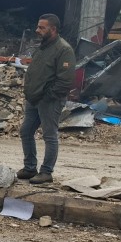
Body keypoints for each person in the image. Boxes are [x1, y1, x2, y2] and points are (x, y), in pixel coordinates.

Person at [18, 13, 76, 184]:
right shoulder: (43, 47)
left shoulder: (64, 50)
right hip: (33, 98)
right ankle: (30, 168)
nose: (38, 30)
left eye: (42, 28)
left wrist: (48, 96)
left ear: (53, 29)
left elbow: (65, 80)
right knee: (26, 131)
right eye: (38, 26)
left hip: (48, 101)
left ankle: (46, 172)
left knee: (49, 135)